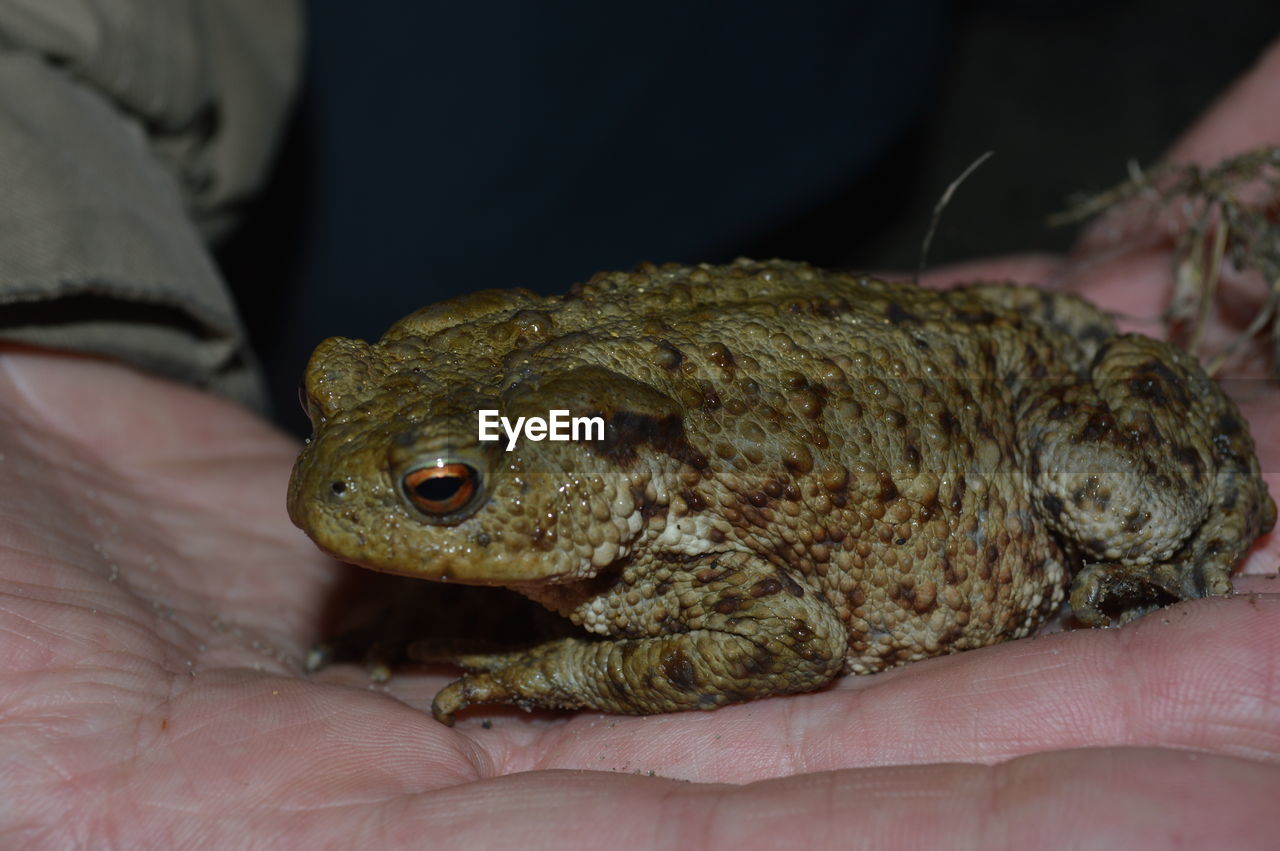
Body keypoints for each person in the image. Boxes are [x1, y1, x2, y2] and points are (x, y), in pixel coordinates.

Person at [0, 6, 1276, 846]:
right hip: (735, 362)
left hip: (1002, 405)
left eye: (438, 486)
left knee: (1117, 489)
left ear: (591, 482)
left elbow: (792, 629)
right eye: (329, 400)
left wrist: (568, 671)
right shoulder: (574, 462)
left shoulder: (639, 490)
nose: (327, 492)